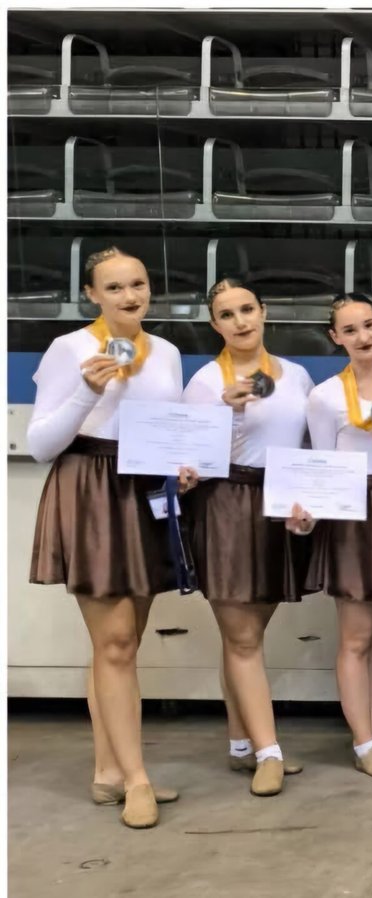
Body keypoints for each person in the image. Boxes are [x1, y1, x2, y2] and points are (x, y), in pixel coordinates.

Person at [27, 247, 184, 828]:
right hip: (91, 489)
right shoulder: (69, 349)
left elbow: (172, 429)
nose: (129, 296)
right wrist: (86, 393)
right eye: (114, 287)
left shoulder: (166, 352)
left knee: (121, 646)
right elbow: (41, 444)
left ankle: (108, 772)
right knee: (114, 643)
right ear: (91, 294)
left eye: (137, 284)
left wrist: (185, 465)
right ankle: (137, 779)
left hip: (146, 491)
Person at [182, 278, 315, 798]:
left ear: (264, 311)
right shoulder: (204, 382)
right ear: (214, 324)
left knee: (247, 636)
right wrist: (226, 411)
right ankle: (268, 753)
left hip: (280, 505)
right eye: (227, 314)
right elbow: (189, 461)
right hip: (226, 504)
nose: (240, 321)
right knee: (241, 638)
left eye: (246, 310)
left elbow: (307, 448)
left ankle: (241, 744)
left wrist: (309, 504)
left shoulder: (297, 375)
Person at [302, 293, 372, 780]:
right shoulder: (325, 396)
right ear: (336, 338)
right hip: (353, 514)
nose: (363, 337)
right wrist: (309, 515)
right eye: (349, 330)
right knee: (357, 634)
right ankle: (363, 742)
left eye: (368, 325)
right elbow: (322, 465)